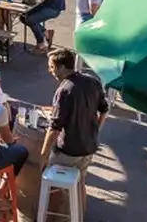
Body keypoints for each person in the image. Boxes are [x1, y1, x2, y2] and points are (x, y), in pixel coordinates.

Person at [41, 49, 109, 212]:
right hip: (88, 147)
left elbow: (55, 127)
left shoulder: (64, 90)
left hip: (68, 150)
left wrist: (43, 156)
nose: (50, 71)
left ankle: (52, 216)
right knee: (80, 183)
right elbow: (104, 110)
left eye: (51, 67)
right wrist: (95, 129)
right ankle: (79, 215)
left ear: (62, 67)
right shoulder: (93, 82)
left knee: (53, 186)